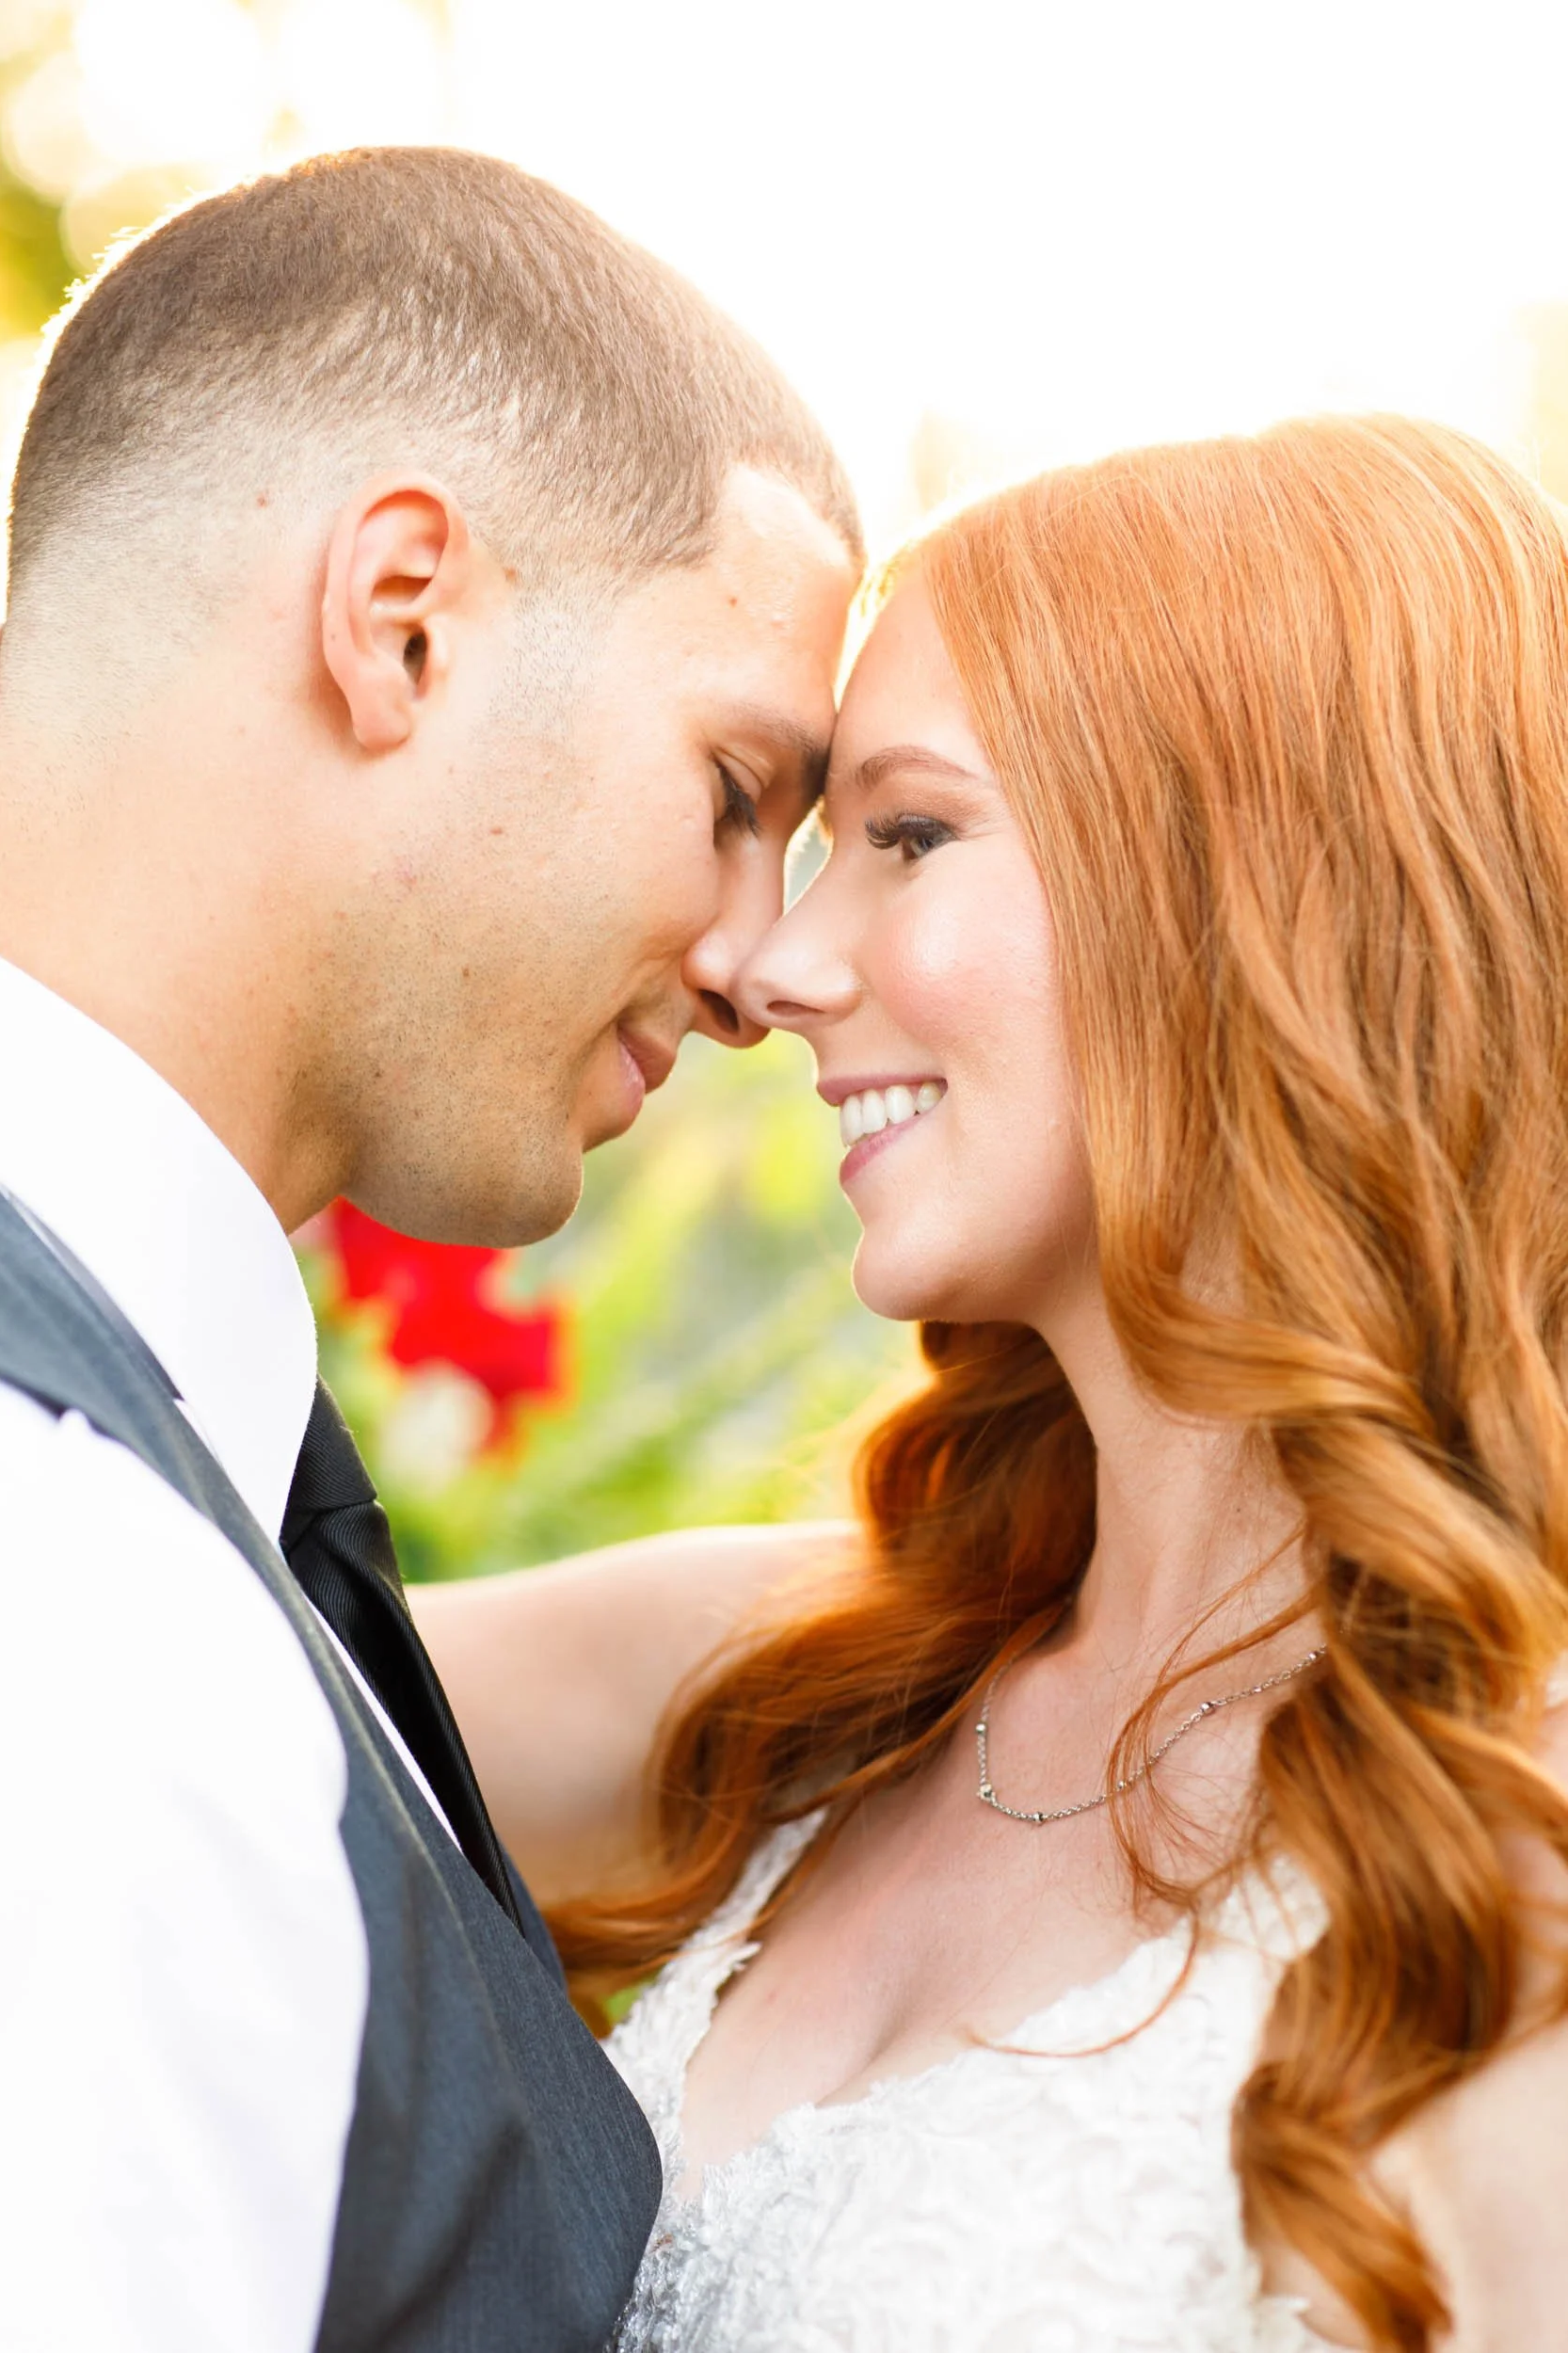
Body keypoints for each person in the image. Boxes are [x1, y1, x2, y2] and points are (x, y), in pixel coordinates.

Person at [416, 414, 1568, 2352]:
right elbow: (119, 1652)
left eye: (908, 835)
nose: (772, 963)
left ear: (1262, 897)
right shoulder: (815, 1677)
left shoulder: (1505, 1857)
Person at [0, 146, 859, 2352]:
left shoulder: (147, 1504)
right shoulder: (82, 1612)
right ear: (401, 621)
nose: (758, 965)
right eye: (734, 787)